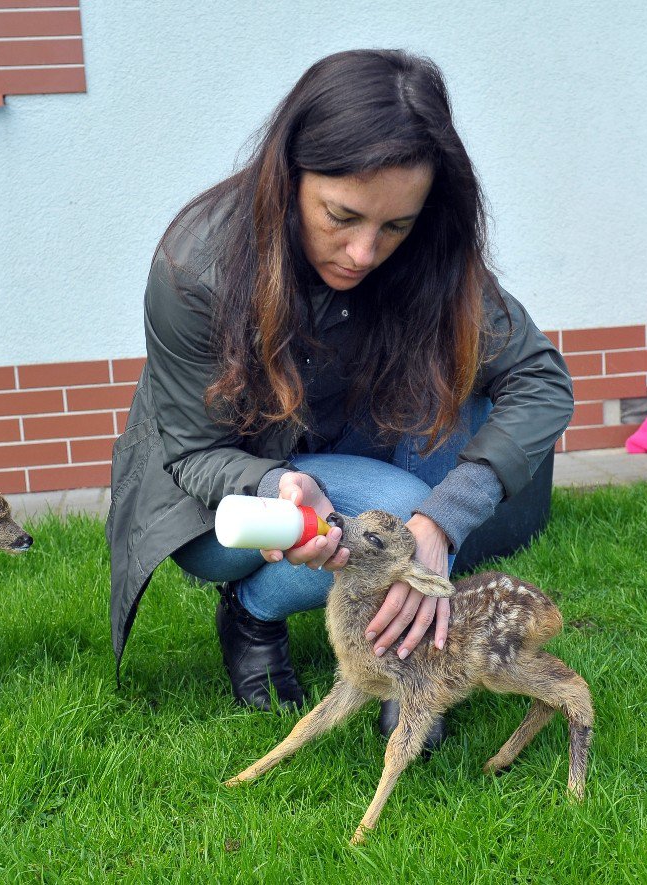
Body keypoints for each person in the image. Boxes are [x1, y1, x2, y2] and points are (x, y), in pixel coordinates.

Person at [106, 49, 573, 748]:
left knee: (423, 517)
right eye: (341, 216)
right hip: (219, 494)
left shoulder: (429, 251)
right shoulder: (192, 267)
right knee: (394, 502)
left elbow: (542, 380)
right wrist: (274, 481)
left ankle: (409, 648)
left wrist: (443, 521)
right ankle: (253, 608)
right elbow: (194, 451)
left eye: (394, 226)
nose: (363, 253)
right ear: (289, 174)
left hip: (347, 448)